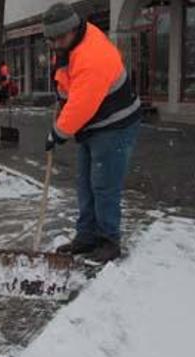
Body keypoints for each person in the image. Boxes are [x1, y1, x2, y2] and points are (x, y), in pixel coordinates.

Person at [43, 3, 141, 263]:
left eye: (59, 38)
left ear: (73, 29)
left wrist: (58, 132)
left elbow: (82, 104)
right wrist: (62, 101)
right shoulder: (70, 44)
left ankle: (109, 241)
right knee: (85, 183)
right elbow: (67, 84)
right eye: (51, 39)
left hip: (115, 123)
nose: (55, 44)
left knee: (104, 185)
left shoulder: (92, 56)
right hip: (93, 124)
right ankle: (86, 236)